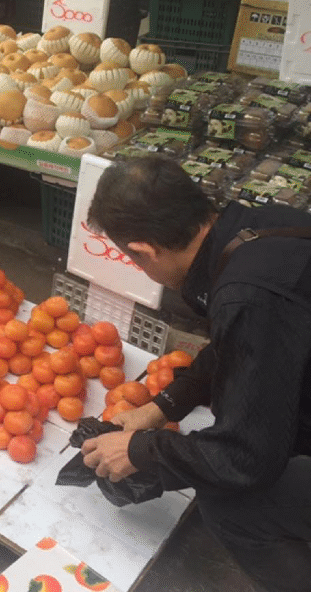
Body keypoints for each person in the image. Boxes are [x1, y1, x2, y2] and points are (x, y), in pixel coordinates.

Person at [80, 154, 311, 592]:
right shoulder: (258, 227)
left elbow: (246, 459)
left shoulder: (248, 295)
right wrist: (162, 406)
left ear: (143, 251)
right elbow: (235, 345)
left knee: (230, 504)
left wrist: (144, 450)